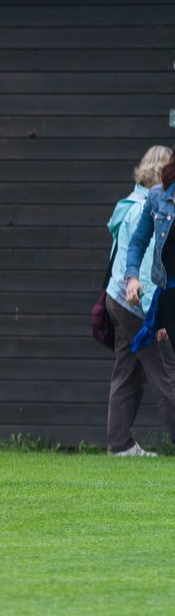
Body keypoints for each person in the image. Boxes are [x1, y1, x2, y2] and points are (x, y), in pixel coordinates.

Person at [106, 146, 175, 456]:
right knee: (166, 373)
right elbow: (147, 268)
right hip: (137, 303)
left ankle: (119, 444)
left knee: (127, 370)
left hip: (117, 298)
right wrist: (154, 316)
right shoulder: (147, 208)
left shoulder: (129, 203)